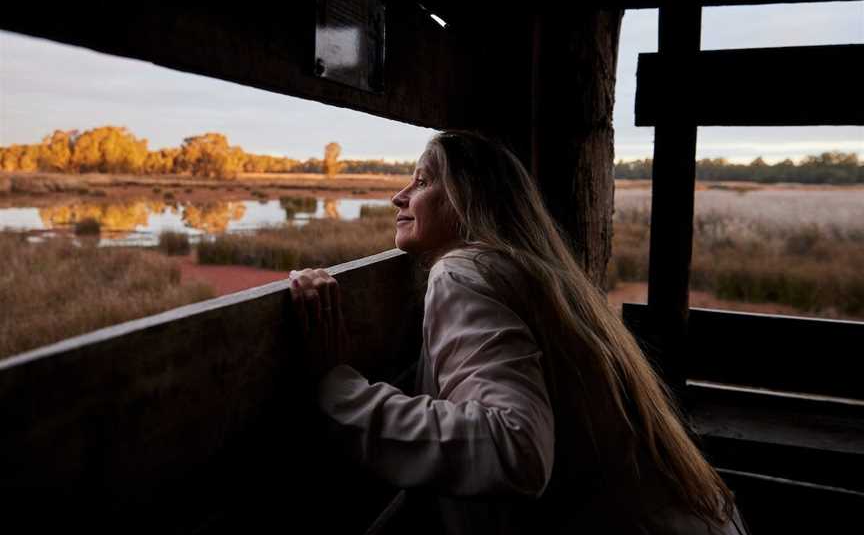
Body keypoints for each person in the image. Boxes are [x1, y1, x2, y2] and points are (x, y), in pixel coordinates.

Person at [288, 130, 749, 534]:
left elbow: (515, 447)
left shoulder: (463, 271)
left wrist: (340, 391)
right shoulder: (536, 273)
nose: (399, 196)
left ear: (471, 200)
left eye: (424, 180)